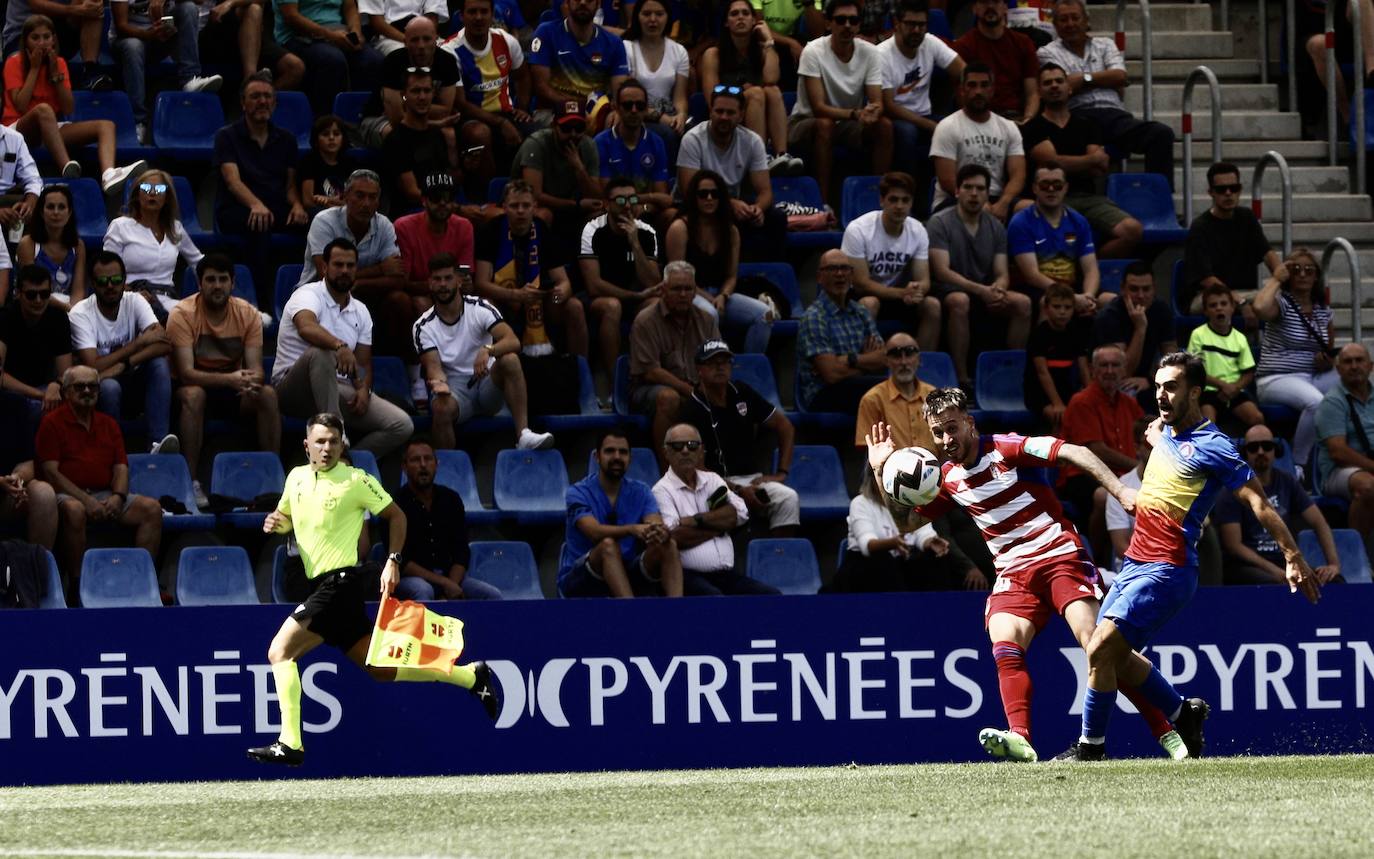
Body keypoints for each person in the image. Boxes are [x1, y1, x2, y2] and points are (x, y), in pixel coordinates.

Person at [865, 393, 1185, 764]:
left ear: (969, 423)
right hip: (1014, 573)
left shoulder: (1006, 448)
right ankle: (1020, 737)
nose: (946, 439)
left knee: (1098, 647)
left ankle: (1167, 731)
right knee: (1004, 641)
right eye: (938, 433)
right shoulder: (947, 478)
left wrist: (1121, 490)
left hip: (1058, 557)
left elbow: (1075, 452)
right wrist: (879, 468)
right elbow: (907, 522)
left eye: (951, 428)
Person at [1055, 352, 1321, 762]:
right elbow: (1160, 434)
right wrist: (1157, 435)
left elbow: (1259, 503)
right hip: (1135, 564)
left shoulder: (1215, 447)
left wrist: (1291, 554)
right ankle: (1184, 713)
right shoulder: (1165, 431)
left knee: (1100, 650)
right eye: (1158, 386)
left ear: (1195, 392)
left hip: (1168, 569)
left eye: (1172, 387)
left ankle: (1091, 748)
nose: (1161, 395)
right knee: (1115, 656)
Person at [248, 411, 500, 766]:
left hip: (340, 585)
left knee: (279, 652)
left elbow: (397, 516)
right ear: (307, 446)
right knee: (379, 669)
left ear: (342, 444)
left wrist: (393, 559)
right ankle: (470, 676)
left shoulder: (356, 480)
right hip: (320, 587)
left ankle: (290, 743)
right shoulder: (296, 479)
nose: (327, 448)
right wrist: (277, 522)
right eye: (320, 441)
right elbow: (287, 517)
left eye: (334, 441)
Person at [273, 238, 414, 458]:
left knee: (401, 425)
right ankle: (335, 432)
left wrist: (363, 389)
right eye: (338, 265)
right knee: (322, 352)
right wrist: (339, 345)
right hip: (293, 387)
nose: (345, 271)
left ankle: (348, 462)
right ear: (324, 267)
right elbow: (306, 326)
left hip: (337, 388)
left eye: (350, 266)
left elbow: (363, 363)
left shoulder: (361, 311)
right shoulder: (307, 294)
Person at [35, 364, 164, 597]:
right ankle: (76, 585)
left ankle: (144, 581)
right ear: (65, 392)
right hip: (67, 495)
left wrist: (118, 496)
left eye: (92, 386)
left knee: (152, 509)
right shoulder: (51, 423)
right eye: (79, 386)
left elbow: (121, 467)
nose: (87, 391)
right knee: (75, 510)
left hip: (105, 493)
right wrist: (86, 500)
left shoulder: (109, 424)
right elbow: (51, 473)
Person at [167, 254, 280, 507]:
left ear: (232, 283)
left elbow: (257, 370)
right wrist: (230, 379)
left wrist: (251, 380)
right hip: (190, 388)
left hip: (232, 388)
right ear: (199, 284)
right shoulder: (182, 314)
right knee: (194, 394)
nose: (217, 285)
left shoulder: (248, 314)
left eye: (222, 280)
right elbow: (186, 373)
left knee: (268, 395)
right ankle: (191, 480)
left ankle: (272, 477)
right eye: (210, 280)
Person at [414, 252, 555, 451]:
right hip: (455, 390)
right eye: (437, 279)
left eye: (448, 278)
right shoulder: (423, 326)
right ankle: (448, 466)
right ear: (430, 283)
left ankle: (523, 435)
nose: (443, 284)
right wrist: (440, 385)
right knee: (440, 407)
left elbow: (513, 341)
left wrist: (489, 350)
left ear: (459, 281)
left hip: (487, 384)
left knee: (510, 360)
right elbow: (433, 367)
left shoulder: (480, 307)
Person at [2, 15, 148, 193]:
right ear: (25, 41)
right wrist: (34, 69)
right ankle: (66, 167)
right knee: (43, 110)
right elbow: (21, 106)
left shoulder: (60, 63)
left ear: (54, 39)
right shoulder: (14, 62)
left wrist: (56, 75)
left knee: (106, 126)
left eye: (46, 37)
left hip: (49, 129)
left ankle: (109, 174)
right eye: (35, 38)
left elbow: (68, 108)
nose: (41, 43)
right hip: (16, 129)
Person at [1037, 0, 1174, 187]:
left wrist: (1083, 79)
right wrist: (1103, 78)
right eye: (1063, 19)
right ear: (1055, 26)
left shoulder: (1106, 44)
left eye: (1075, 18)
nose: (1070, 24)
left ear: (1086, 21)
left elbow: (1120, 76)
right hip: (1077, 118)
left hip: (1114, 116)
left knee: (1160, 134)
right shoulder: (1047, 52)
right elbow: (1063, 86)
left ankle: (1160, 198)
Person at [1019, 62, 1141, 258]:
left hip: (1089, 198)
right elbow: (1052, 167)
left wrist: (1072, 162)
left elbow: (1099, 167)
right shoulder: (1032, 128)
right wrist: (1089, 159)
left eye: (1059, 81)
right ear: (1039, 92)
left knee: (1132, 230)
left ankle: (1093, 266)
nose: (1054, 86)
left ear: (1069, 88)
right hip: (1051, 197)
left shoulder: (1088, 124)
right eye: (1048, 83)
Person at [680, 339, 799, 536]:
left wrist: (782, 472)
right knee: (730, 508)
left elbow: (784, 426)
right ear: (699, 370)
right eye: (712, 363)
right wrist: (735, 489)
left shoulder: (741, 392)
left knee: (788, 498)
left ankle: (778, 557)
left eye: (725, 362)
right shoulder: (691, 409)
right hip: (713, 484)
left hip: (752, 479)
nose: (720, 368)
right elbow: (695, 467)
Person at [926, 163, 1030, 388]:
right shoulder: (939, 223)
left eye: (980, 188)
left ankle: (1011, 374)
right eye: (968, 187)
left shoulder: (996, 227)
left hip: (984, 289)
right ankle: (962, 379)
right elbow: (942, 272)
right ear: (957, 191)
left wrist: (999, 289)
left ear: (987, 193)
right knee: (959, 300)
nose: (974, 194)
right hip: (948, 289)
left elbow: (1002, 272)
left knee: (1022, 303)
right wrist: (981, 291)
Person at [653, 423, 781, 596]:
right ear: (666, 452)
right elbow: (675, 537)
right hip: (688, 575)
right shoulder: (661, 490)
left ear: (700, 451)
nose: (685, 450)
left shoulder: (712, 479)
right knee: (715, 600)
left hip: (725, 575)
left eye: (692, 445)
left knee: (771, 596)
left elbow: (740, 513)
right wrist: (720, 527)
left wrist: (696, 520)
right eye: (677, 446)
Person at [69, 250, 178, 454]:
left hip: (130, 379)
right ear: (93, 284)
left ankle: (158, 445)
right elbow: (93, 366)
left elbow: (164, 343)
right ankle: (113, 452)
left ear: (124, 280)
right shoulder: (80, 314)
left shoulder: (135, 301)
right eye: (103, 281)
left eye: (116, 279)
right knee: (110, 387)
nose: (110, 286)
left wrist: (125, 363)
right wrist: (138, 344)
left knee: (159, 364)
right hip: (98, 387)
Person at [787, 0, 892, 206]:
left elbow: (877, 100)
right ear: (828, 23)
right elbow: (818, 108)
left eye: (853, 20)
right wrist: (856, 114)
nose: (847, 25)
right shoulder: (813, 51)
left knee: (885, 126)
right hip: (804, 122)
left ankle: (880, 198)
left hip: (847, 122)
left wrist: (873, 111)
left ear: (859, 25)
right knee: (825, 124)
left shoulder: (870, 52)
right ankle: (822, 203)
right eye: (840, 20)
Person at [558, 429, 684, 598]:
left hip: (626, 571)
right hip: (582, 577)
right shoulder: (577, 492)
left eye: (623, 452)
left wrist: (658, 531)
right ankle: (630, 615)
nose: (617, 457)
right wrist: (632, 529)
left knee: (668, 545)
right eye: (610, 451)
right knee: (607, 546)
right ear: (597, 456)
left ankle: (678, 613)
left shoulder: (641, 491)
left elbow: (654, 522)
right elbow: (594, 532)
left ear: (630, 458)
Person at [473, 179, 588, 362]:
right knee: (486, 304)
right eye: (514, 205)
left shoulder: (542, 230)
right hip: (504, 299)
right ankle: (492, 364)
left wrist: (560, 293)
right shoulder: (491, 231)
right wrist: (515, 295)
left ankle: (580, 370)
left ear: (534, 207)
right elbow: (480, 285)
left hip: (539, 301)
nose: (520, 211)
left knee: (574, 306)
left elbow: (563, 282)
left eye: (526, 205)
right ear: (504, 207)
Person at [298, 170, 410, 356]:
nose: (366, 203)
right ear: (346, 196)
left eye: (372, 197)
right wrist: (380, 269)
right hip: (320, 296)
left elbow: (398, 279)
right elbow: (326, 276)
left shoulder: (384, 225)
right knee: (337, 297)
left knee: (400, 300)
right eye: (360, 195)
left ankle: (400, 369)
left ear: (378, 200)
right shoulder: (324, 222)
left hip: (364, 294)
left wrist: (358, 283)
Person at [214, 71, 309, 290]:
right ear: (243, 103)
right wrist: (255, 204)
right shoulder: (226, 136)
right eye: (255, 96)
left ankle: (308, 291)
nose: (262, 101)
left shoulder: (287, 139)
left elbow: (290, 185)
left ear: (274, 103)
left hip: (275, 206)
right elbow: (232, 181)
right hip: (237, 207)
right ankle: (260, 300)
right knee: (259, 223)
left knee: (316, 222)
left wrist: (296, 205)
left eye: (267, 97)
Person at [1217, 423, 1342, 586]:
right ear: (1244, 453)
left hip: (1284, 561)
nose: (1261, 452)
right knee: (1275, 585)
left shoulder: (1287, 481)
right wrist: (1276, 572)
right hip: (1247, 566)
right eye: (1253, 448)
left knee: (1334, 582)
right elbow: (1233, 545)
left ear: (1276, 451)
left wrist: (1333, 564)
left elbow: (1319, 523)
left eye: (1267, 446)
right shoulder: (1231, 489)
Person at [666, 170, 772, 355]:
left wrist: (723, 296)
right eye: (703, 194)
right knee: (710, 314)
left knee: (764, 314)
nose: (709, 198)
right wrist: (709, 298)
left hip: (721, 294)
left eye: (714, 194)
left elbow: (731, 275)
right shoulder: (679, 228)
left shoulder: (731, 231)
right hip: (689, 292)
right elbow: (676, 279)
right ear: (693, 197)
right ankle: (711, 368)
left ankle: (747, 368)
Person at [676, 84, 787, 258]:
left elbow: (765, 192)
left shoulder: (752, 141)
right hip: (697, 204)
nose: (724, 117)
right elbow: (689, 190)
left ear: (741, 115)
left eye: (730, 112)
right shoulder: (693, 140)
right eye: (719, 111)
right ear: (710, 112)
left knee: (776, 218)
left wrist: (758, 209)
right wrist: (730, 203)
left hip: (733, 205)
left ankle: (768, 272)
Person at [1252, 248, 1338, 468]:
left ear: (1316, 276)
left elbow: (1328, 350)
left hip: (1313, 375)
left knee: (1356, 384)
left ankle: (1341, 455)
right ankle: (1298, 465)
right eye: (1296, 269)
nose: (1302, 274)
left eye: (1309, 270)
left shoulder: (1322, 311)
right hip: (1277, 379)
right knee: (1316, 403)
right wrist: (1276, 278)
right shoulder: (1282, 304)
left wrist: (1325, 360)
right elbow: (1259, 307)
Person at [836, 467, 983, 593]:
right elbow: (866, 544)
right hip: (865, 566)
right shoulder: (860, 503)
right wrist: (892, 543)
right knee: (884, 561)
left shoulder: (908, 502)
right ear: (871, 479)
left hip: (898, 565)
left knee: (935, 559)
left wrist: (931, 542)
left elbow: (922, 534)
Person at [629, 261, 721, 460]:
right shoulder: (646, 320)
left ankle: (727, 470)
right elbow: (651, 371)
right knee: (669, 398)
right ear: (663, 290)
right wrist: (691, 391)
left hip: (696, 387)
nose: (682, 294)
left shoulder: (706, 319)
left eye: (688, 289)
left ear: (695, 292)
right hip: (650, 389)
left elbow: (717, 359)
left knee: (741, 400)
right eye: (676, 289)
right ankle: (667, 472)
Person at [393, 439, 502, 601]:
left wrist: (450, 584)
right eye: (416, 460)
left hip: (451, 577)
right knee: (423, 590)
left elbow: (461, 551)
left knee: (492, 595)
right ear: (404, 467)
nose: (423, 465)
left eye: (428, 459)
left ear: (436, 464)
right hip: (410, 578)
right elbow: (402, 560)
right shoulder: (395, 504)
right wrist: (444, 583)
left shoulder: (451, 499)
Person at [841, 171, 938, 350]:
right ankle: (869, 367)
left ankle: (921, 365)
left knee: (932, 305)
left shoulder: (918, 230)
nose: (899, 206)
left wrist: (916, 291)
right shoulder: (859, 230)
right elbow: (861, 283)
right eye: (893, 200)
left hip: (900, 297)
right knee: (869, 303)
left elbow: (924, 280)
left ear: (911, 203)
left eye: (905, 200)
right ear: (881, 201)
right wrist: (902, 293)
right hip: (866, 296)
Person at [1060, 344, 1141, 557]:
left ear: (1124, 370)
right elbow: (1097, 451)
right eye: (1103, 365)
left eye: (1115, 365)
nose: (1110, 371)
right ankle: (1097, 559)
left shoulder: (1129, 403)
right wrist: (1138, 467)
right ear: (1092, 369)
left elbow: (1146, 434)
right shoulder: (1082, 401)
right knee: (1104, 496)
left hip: (1123, 476)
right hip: (1084, 475)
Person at [701, 0, 799, 175]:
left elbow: (771, 79)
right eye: (734, 14)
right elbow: (712, 100)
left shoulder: (762, 50)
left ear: (755, 21)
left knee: (772, 91)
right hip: (728, 115)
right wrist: (741, 92)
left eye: (746, 13)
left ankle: (782, 154)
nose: (740, 18)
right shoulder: (713, 54)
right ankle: (759, 157)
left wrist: (769, 41)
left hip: (758, 109)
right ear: (726, 22)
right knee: (756, 93)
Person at [580, 176, 662, 378]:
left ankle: (649, 373)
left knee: (657, 303)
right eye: (620, 201)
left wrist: (635, 243)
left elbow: (652, 282)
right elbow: (594, 286)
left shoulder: (647, 232)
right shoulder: (592, 230)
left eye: (632, 200)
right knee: (612, 306)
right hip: (599, 299)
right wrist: (632, 296)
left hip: (635, 296)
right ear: (607, 204)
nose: (627, 206)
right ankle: (613, 380)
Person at [446, 0, 533, 184]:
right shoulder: (451, 50)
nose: (478, 17)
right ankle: (488, 195)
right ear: (462, 16)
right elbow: (460, 103)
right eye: (472, 12)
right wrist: (500, 123)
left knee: (540, 135)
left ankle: (524, 195)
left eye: (484, 12)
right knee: (480, 134)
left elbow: (523, 76)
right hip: (469, 118)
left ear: (492, 14)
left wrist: (522, 108)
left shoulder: (506, 40)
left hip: (505, 113)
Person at [1180, 161, 1283, 318]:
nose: (1228, 193)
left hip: (1246, 293)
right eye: (1221, 190)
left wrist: (1281, 278)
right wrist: (1240, 302)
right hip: (1209, 295)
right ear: (1211, 192)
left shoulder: (1247, 217)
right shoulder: (1200, 227)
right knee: (1225, 304)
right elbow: (1207, 280)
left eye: (1234, 188)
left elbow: (1268, 254)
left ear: (1240, 190)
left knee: (1287, 301)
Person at [110, 0, 222, 142]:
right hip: (128, 40)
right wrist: (148, 35)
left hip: (157, 39)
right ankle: (138, 122)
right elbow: (121, 26)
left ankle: (189, 78)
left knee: (189, 8)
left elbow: (199, 2)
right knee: (133, 46)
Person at [102, 169, 204, 320]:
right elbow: (105, 269)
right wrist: (129, 294)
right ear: (137, 194)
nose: (152, 193)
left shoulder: (175, 228)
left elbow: (198, 262)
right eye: (146, 188)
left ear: (167, 197)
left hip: (167, 299)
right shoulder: (120, 226)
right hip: (129, 298)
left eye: (159, 189)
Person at [879, 0, 964, 180]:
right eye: (910, 24)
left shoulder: (930, 42)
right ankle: (909, 191)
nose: (917, 30)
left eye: (921, 25)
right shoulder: (882, 55)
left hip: (925, 115)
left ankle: (951, 189)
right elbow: (888, 105)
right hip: (896, 118)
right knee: (908, 133)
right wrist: (932, 126)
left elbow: (963, 71)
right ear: (897, 24)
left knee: (958, 128)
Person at [929, 63, 1026, 220]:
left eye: (984, 85)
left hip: (996, 197)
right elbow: (947, 179)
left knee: (1030, 209)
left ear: (992, 90)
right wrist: (980, 202)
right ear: (962, 90)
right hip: (956, 197)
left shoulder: (1008, 127)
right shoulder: (947, 126)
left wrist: (1005, 202)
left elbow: (1018, 174)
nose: (978, 91)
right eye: (972, 85)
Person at [797, 247, 885, 413]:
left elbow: (882, 359)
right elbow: (831, 375)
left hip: (854, 386)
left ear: (851, 276)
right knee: (888, 391)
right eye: (832, 269)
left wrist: (850, 359)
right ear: (819, 277)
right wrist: (866, 363)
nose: (839, 274)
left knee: (895, 388)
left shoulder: (860, 312)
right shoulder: (814, 317)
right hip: (822, 394)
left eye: (844, 268)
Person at [513, 98, 603, 257]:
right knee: (543, 215)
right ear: (554, 126)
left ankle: (590, 269)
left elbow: (596, 197)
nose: (573, 134)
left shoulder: (588, 146)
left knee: (601, 216)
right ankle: (537, 269)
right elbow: (534, 196)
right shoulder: (536, 144)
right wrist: (575, 205)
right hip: (532, 205)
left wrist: (579, 169)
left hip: (569, 208)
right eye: (567, 128)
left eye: (579, 128)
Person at [0, 264, 72, 461]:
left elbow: (65, 373)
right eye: (31, 295)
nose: (39, 300)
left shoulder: (58, 319)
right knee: (27, 408)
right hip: (12, 391)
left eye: (45, 294)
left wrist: (56, 385)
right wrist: (41, 395)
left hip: (45, 387)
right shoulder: (6, 318)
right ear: (18, 293)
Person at [1007, 161, 1101, 312]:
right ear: (1034, 188)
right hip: (1038, 288)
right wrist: (1072, 297)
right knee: (1051, 303)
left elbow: (1091, 269)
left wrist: (1088, 296)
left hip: (1072, 287)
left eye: (1057, 185)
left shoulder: (1078, 221)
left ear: (1066, 188)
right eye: (1044, 184)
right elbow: (1032, 275)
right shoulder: (1021, 222)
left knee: (1107, 299)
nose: (1051, 189)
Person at [275, 0, 384, 118]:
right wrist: (330, 35)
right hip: (299, 35)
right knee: (332, 60)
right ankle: (325, 124)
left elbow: (350, 7)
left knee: (374, 61)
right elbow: (291, 16)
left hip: (338, 31)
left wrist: (355, 31)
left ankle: (365, 121)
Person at [1091, 261, 1176, 402]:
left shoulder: (1161, 310)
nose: (1141, 295)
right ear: (1123, 289)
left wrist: (1151, 379)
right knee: (1127, 392)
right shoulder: (1109, 316)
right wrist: (1140, 328)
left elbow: (1171, 356)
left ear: (1154, 289)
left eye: (1146, 289)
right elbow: (1123, 371)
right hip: (1112, 381)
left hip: (1146, 379)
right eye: (1134, 289)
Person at [594, 78, 674, 226]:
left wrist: (643, 206)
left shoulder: (656, 142)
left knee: (671, 214)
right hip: (612, 212)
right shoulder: (601, 142)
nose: (634, 110)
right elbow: (606, 194)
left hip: (645, 212)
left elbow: (663, 197)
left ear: (646, 109)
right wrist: (647, 198)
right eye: (627, 105)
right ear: (616, 107)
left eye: (640, 105)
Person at [395, 173, 475, 316]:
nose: (443, 203)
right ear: (424, 201)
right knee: (422, 304)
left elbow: (466, 281)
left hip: (453, 294)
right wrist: (443, 284)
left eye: (448, 198)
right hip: (421, 295)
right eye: (436, 198)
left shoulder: (464, 226)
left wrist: (464, 282)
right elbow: (402, 283)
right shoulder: (404, 227)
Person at [1315, 342, 1374, 535]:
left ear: (1370, 366)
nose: (1354, 366)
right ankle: (1360, 554)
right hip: (1338, 471)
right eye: (1348, 362)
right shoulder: (1332, 401)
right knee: (1367, 487)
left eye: (1359, 360)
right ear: (1338, 369)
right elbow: (1338, 452)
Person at [528, 0, 629, 110]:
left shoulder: (614, 43)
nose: (583, 2)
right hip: (553, 111)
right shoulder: (546, 32)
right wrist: (577, 107)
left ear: (598, 4)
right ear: (567, 2)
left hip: (597, 113)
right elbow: (542, 87)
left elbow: (619, 93)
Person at [1187, 283, 1263, 428]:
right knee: (1207, 425)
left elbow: (1248, 373)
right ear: (1206, 311)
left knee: (1257, 418)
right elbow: (1196, 371)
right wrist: (1223, 385)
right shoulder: (1198, 335)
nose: (1219, 308)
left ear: (1232, 308)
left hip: (1234, 391)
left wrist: (1234, 388)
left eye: (1223, 304)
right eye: (1213, 305)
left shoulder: (1239, 338)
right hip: (1208, 392)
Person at [951, 0, 1039, 121]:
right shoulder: (963, 46)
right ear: (974, 8)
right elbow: (962, 95)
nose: (991, 6)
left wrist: (1028, 119)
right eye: (984, 2)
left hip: (1017, 117)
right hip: (980, 118)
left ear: (1005, 7)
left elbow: (1032, 93)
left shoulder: (1023, 43)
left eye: (996, 1)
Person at [622, 0, 689, 157]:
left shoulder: (679, 51)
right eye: (646, 14)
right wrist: (661, 118)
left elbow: (680, 98)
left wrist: (681, 115)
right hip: (636, 113)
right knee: (666, 134)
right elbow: (625, 98)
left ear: (668, 17)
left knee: (692, 133)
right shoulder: (626, 47)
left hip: (669, 114)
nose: (653, 19)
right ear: (637, 17)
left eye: (659, 14)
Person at [196, 0, 306, 91]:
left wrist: (231, 3)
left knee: (295, 67)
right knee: (254, 9)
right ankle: (250, 80)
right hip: (213, 32)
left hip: (253, 33)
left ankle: (258, 99)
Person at [2, 0, 112, 91]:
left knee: (93, 4)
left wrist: (87, 9)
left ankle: (90, 70)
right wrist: (76, 10)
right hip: (22, 33)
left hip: (58, 32)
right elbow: (36, 5)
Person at [854, 331, 937, 452]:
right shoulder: (872, 399)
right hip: (890, 470)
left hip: (935, 468)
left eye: (909, 354)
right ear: (886, 361)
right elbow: (867, 453)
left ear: (919, 359)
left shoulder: (933, 396)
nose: (903, 362)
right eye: (896, 355)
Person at [1025, 281, 1089, 430]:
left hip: (1066, 389)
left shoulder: (1076, 332)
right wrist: (1057, 403)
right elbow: (1042, 373)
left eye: (1067, 307)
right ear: (1046, 308)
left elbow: (1083, 368)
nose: (1062, 312)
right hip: (1039, 393)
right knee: (1058, 416)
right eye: (1057, 307)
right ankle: (1056, 451)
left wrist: (1089, 395)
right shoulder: (1039, 334)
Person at [15, 184, 84, 310]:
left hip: (69, 309)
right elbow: (32, 288)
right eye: (50, 207)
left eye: (61, 207)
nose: (56, 212)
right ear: (41, 212)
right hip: (36, 307)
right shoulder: (28, 244)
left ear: (69, 213)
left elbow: (78, 291)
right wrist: (67, 309)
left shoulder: (78, 246)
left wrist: (75, 312)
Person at [1103, 415, 1151, 566]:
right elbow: (1120, 547)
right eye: (1150, 444)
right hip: (1133, 569)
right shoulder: (1121, 487)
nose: (1157, 448)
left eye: (1163, 443)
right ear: (1137, 448)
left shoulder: (1178, 483)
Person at [298, 114, 359, 213]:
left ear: (343, 138)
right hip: (319, 214)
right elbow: (308, 201)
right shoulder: (309, 162)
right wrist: (335, 205)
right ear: (316, 140)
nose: (331, 138)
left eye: (336, 134)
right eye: (325, 134)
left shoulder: (350, 162)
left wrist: (328, 200)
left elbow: (355, 200)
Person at [0, 117, 42, 238]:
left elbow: (33, 179)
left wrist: (30, 204)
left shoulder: (15, 138)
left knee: (39, 205)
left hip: (7, 198)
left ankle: (23, 254)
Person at [750, 0, 824, 68]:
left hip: (788, 38)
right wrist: (791, 42)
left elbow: (818, 34)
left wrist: (808, 3)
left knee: (812, 51)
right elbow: (757, 26)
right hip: (758, 38)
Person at [361, 0, 447, 55]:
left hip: (424, 32)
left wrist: (426, 40)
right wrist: (411, 41)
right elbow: (378, 23)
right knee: (403, 55)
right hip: (390, 37)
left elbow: (432, 16)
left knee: (447, 51)